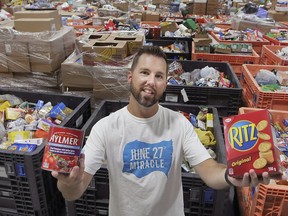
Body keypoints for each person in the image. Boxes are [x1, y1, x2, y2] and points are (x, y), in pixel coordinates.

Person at [52, 46, 270, 216]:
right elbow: (75, 191)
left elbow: (208, 168)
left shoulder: (178, 123)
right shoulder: (105, 128)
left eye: (158, 76)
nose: (151, 81)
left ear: (166, 83)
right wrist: (67, 182)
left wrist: (231, 175)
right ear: (130, 77)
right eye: (144, 73)